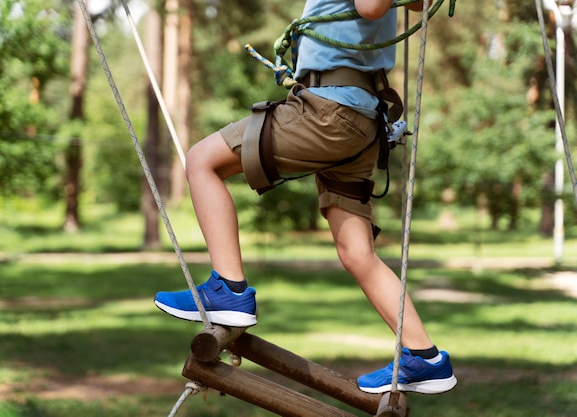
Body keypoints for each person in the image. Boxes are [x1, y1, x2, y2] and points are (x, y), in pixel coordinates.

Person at [155, 0, 457, 394]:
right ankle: (425, 357)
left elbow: (369, 7)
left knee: (202, 161)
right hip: (358, 118)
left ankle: (228, 290)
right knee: (356, 252)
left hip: (331, 113)